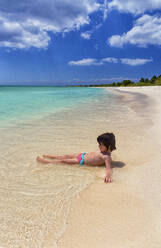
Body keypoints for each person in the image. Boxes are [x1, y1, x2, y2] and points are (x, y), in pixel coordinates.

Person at [36, 132, 116, 183]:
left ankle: (47, 162)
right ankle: (53, 157)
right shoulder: (103, 151)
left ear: (108, 146)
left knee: (64, 161)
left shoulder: (107, 157)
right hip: (82, 155)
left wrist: (108, 176)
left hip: (80, 161)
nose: (99, 146)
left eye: (101, 145)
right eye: (99, 144)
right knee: (65, 156)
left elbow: (108, 168)